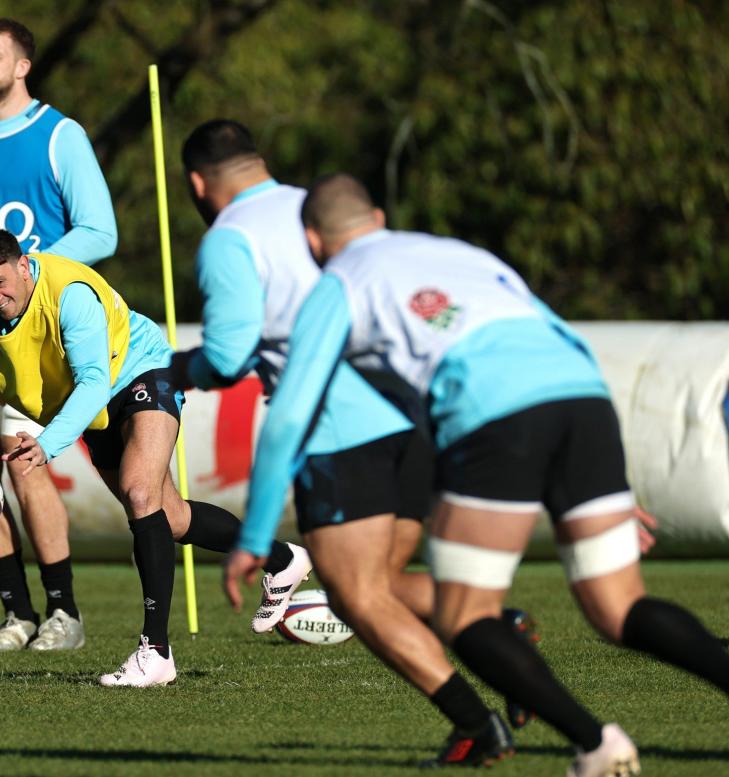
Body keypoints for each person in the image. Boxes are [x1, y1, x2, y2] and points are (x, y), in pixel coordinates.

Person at [232, 173, 729, 776]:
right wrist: (603, 481)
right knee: (621, 608)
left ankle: (597, 744)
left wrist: (256, 536)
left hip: (494, 414)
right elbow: (554, 330)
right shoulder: (460, 253)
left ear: (313, 239)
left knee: (467, 615)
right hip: (584, 398)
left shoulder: (338, 284)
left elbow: (288, 414)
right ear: (380, 217)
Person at [177, 120, 513, 765]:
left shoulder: (229, 237)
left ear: (197, 183)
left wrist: (178, 369)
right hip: (412, 420)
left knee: (357, 597)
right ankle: (498, 634)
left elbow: (228, 354)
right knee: (379, 584)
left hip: (339, 431)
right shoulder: (317, 210)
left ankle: (476, 722)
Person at [0, 228, 298, 687]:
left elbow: (93, 381)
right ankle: (282, 558)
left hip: (139, 371)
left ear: (23, 265)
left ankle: (156, 652)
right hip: (94, 410)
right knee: (172, 517)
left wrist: (49, 444)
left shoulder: (70, 294)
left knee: (139, 493)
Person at [0, 18, 117, 652]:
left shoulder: (59, 135)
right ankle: (16, 614)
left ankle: (63, 613)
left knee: (24, 461)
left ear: (23, 67)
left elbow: (100, 232)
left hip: (34, 333)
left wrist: (28, 278)